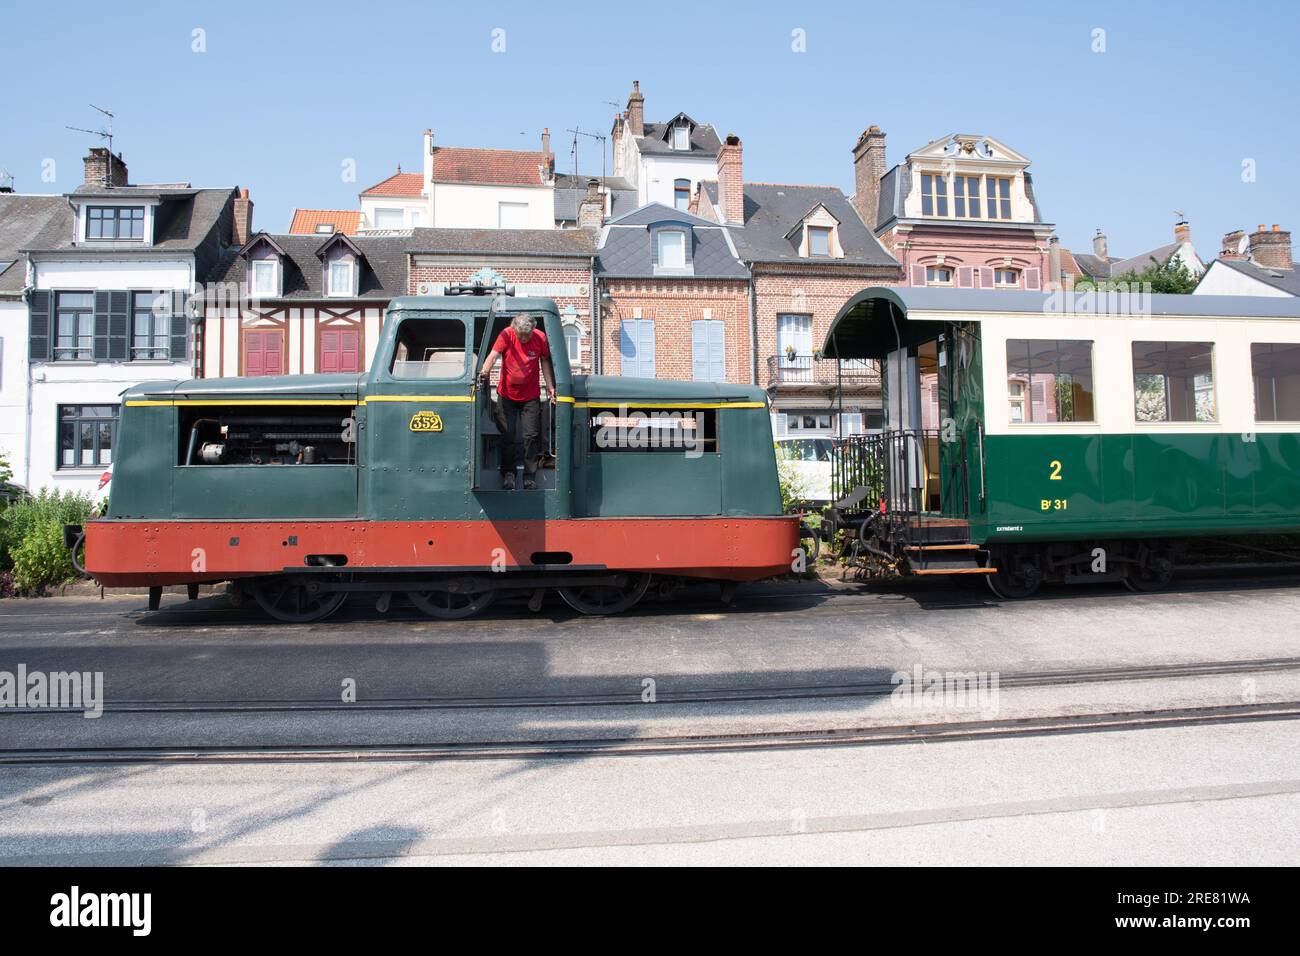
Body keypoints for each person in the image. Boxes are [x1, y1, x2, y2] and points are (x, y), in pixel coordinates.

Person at [479, 313, 555, 491]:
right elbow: (493, 355)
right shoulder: (506, 334)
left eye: (526, 335)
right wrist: (483, 372)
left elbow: (544, 361)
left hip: (531, 396)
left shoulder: (540, 338)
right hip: (506, 396)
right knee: (508, 436)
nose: (523, 338)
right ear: (515, 330)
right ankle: (509, 474)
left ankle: (529, 477)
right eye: (520, 335)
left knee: (531, 436)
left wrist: (550, 386)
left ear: (532, 330)